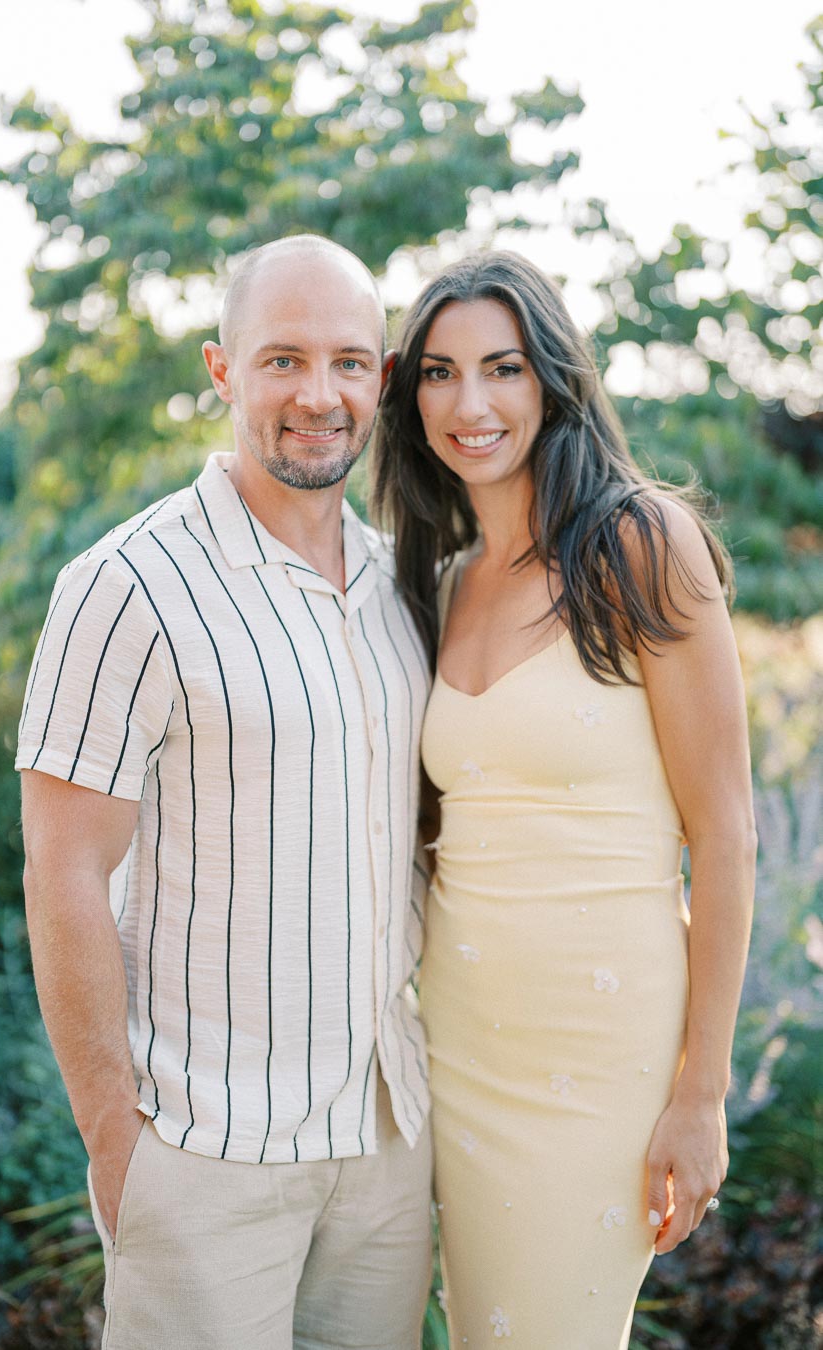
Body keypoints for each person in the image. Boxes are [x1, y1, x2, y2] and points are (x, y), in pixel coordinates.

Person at [16, 234, 433, 1350]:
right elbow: (62, 869)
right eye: (281, 359)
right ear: (221, 371)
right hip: (204, 1155)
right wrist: (114, 1132)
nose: (318, 393)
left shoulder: (408, 588)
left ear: (382, 381)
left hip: (387, 1145)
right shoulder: (125, 586)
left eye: (350, 361)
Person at [371, 251, 755, 1349]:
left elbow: (726, 836)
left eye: (502, 367)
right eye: (439, 374)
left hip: (601, 1056)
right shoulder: (440, 581)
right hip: (457, 1041)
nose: (472, 403)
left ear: (552, 378)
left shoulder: (640, 545)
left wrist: (702, 1092)